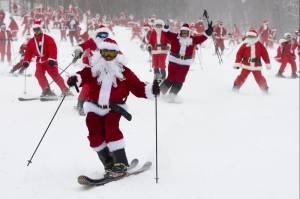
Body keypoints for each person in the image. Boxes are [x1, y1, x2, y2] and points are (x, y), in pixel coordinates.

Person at [67, 38, 160, 178]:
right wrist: (75, 79)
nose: (108, 57)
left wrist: (151, 90)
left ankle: (121, 163)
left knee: (111, 129)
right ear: (100, 53)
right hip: (94, 106)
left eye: (112, 53)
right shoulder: (93, 69)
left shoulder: (124, 72)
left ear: (117, 54)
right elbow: (81, 76)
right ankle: (109, 164)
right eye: (105, 53)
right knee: (94, 134)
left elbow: (138, 87)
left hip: (114, 108)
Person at [159, 22, 213, 102]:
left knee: (180, 80)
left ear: (188, 33)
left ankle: (172, 95)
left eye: (186, 33)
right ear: (180, 32)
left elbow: (202, 37)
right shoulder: (175, 37)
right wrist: (166, 28)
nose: (184, 34)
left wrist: (208, 32)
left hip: (185, 63)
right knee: (171, 78)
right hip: (174, 61)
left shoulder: (192, 39)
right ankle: (159, 93)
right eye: (183, 32)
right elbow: (166, 34)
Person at [21, 19, 72, 97]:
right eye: (35, 30)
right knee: (38, 74)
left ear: (41, 29)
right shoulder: (31, 41)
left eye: (38, 29)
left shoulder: (48, 39)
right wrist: (26, 61)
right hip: (39, 62)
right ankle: (46, 90)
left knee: (54, 74)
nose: (36, 31)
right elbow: (28, 52)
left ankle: (65, 90)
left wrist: (52, 59)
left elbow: (53, 49)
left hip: (49, 61)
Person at [232, 28, 271, 93]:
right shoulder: (244, 45)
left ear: (255, 36)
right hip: (246, 65)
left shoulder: (259, 45)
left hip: (256, 65)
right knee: (242, 77)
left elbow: (265, 54)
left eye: (252, 36)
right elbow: (239, 54)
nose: (251, 38)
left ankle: (264, 89)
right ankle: (236, 87)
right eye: (249, 36)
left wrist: (267, 63)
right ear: (247, 37)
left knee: (259, 78)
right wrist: (237, 63)